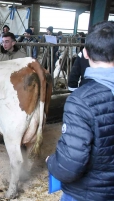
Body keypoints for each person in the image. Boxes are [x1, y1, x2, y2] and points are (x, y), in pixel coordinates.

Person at [46, 20, 114, 201]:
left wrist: (52, 163)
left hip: (89, 193)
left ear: (84, 53)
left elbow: (70, 165)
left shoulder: (80, 101)